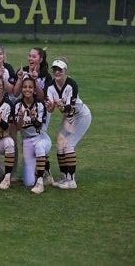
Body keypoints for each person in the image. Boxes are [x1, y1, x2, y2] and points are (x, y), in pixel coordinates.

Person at [46, 57, 92, 189]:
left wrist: (61, 106)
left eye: (60, 70)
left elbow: (70, 109)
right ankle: (64, 177)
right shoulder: (50, 86)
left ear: (65, 71)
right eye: (55, 69)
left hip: (81, 115)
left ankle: (71, 181)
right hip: (68, 116)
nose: (57, 72)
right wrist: (50, 106)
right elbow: (50, 107)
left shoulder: (72, 84)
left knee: (68, 145)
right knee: (60, 143)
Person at [13, 47, 53, 184]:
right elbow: (15, 93)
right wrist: (19, 78)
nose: (30, 59)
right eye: (29, 56)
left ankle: (45, 171)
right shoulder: (22, 71)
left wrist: (35, 82)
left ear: (41, 59)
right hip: (24, 108)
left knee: (39, 141)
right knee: (27, 136)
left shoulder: (46, 75)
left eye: (34, 56)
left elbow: (43, 97)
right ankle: (31, 169)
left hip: (40, 111)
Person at [14, 77, 51, 194]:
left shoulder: (39, 104)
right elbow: (19, 128)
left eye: (30, 87)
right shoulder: (17, 105)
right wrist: (20, 118)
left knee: (40, 147)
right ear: (21, 89)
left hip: (41, 137)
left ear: (34, 89)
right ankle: (39, 170)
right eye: (24, 87)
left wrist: (34, 118)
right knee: (28, 182)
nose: (27, 89)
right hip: (27, 141)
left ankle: (40, 180)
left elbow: (39, 126)